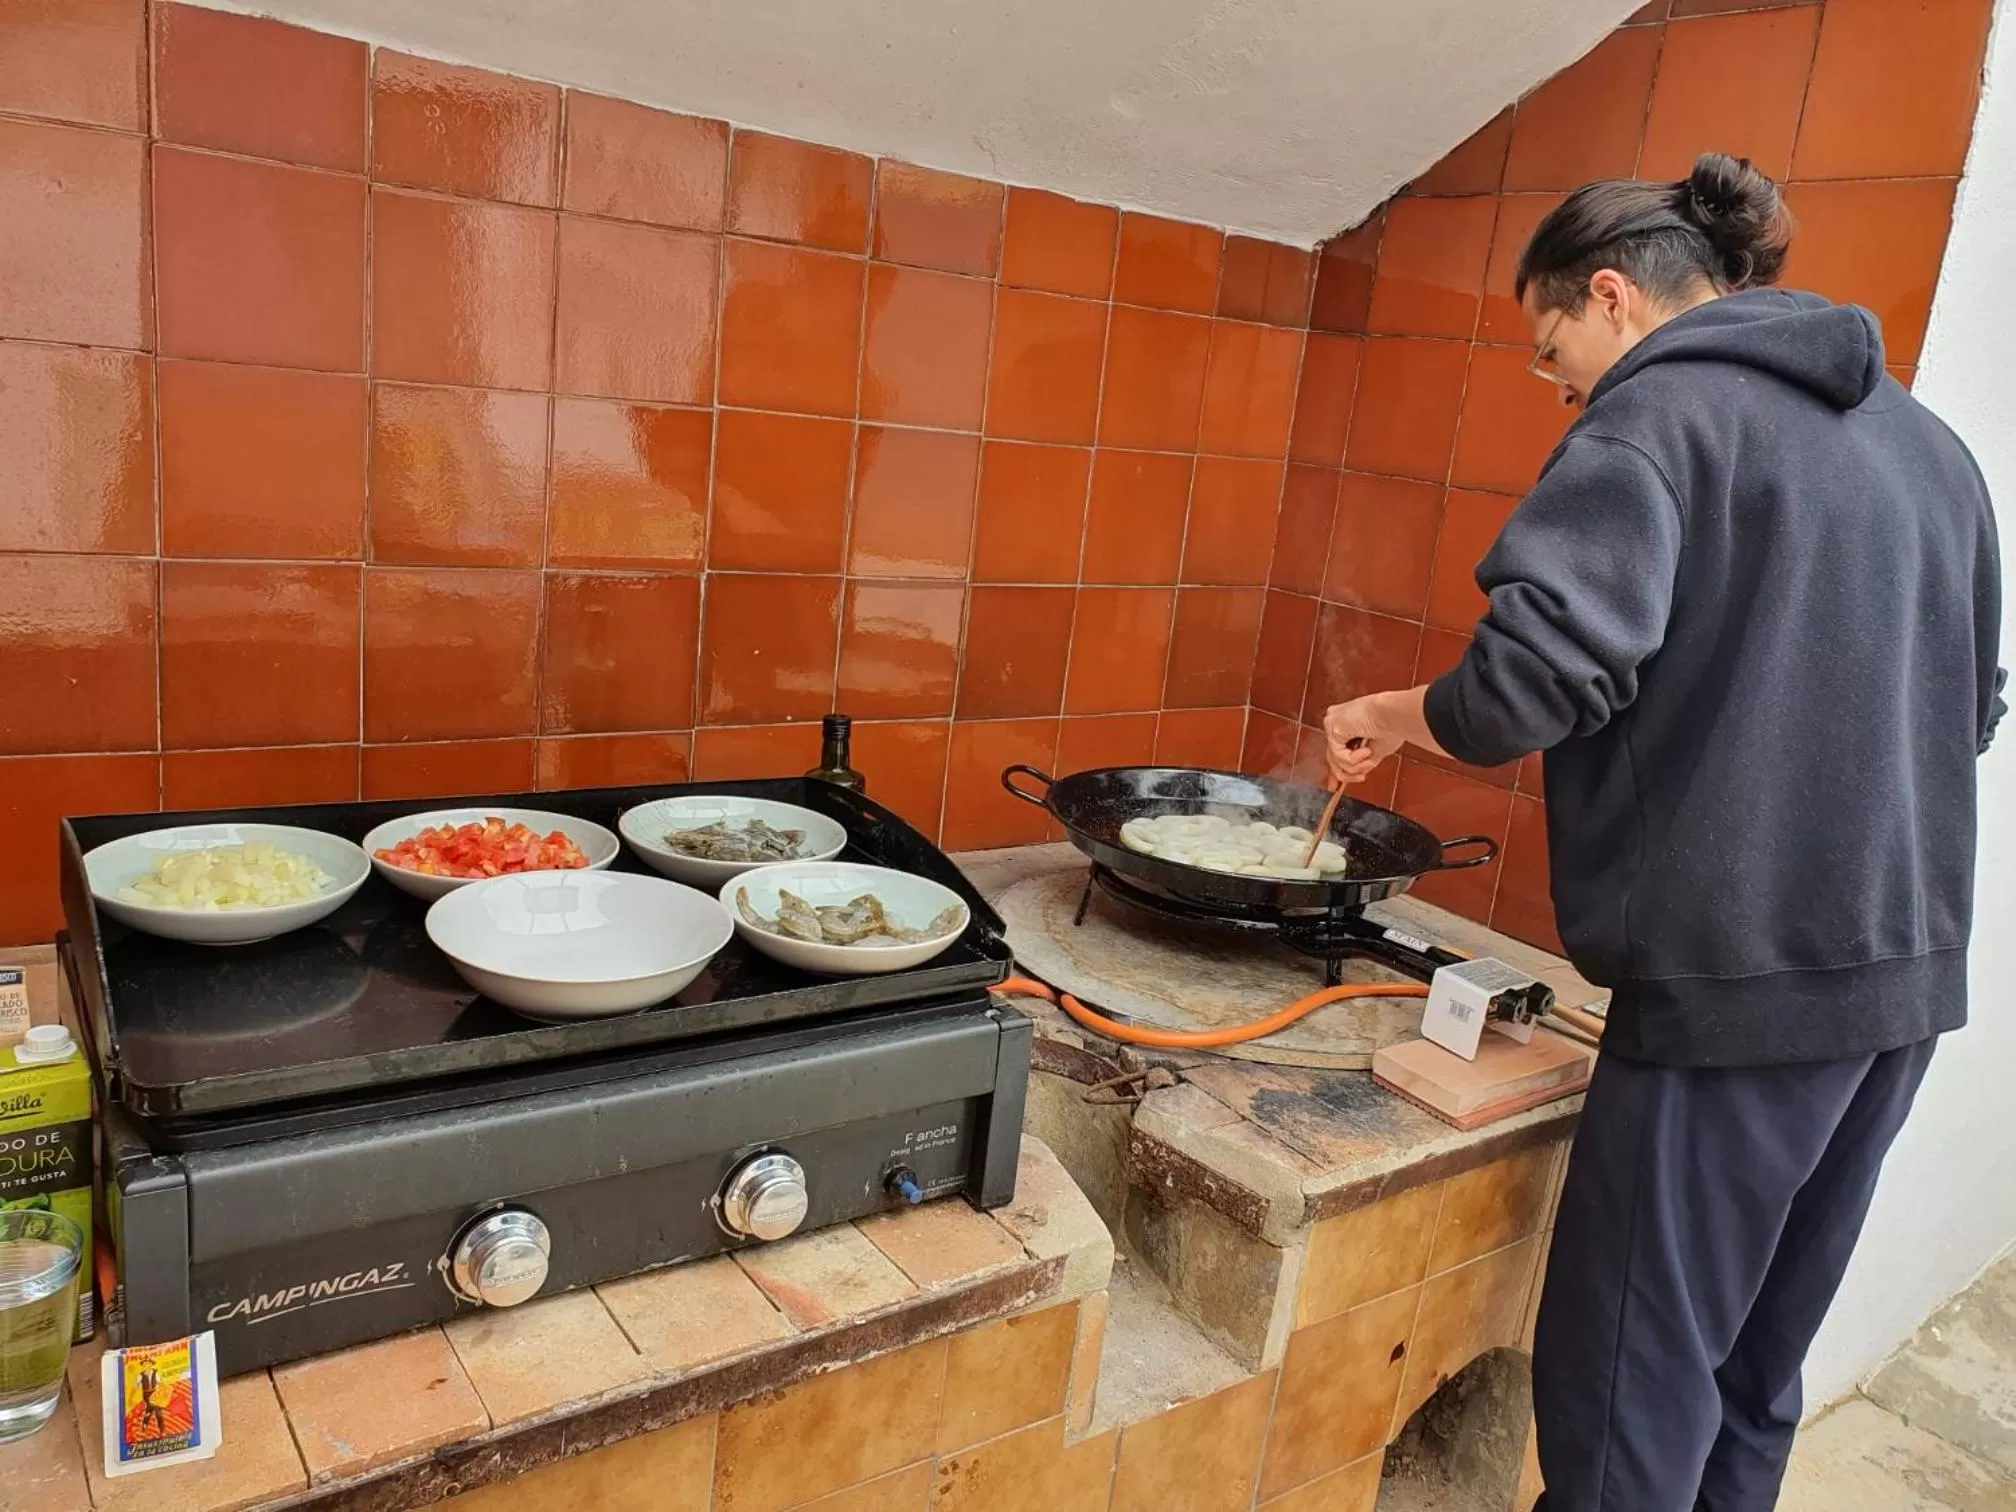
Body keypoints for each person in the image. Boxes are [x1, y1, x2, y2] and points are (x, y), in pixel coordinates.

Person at [1321, 151, 2005, 1511]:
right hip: (1901, 986)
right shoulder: (1931, 451)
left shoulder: (1656, 419)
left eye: (1550, 343)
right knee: (1753, 1365)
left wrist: (1397, 713)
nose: (1555, 379)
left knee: (1629, 1377)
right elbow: (1971, 707)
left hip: (1738, 993)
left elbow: (1528, 682)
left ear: (1616, 296)